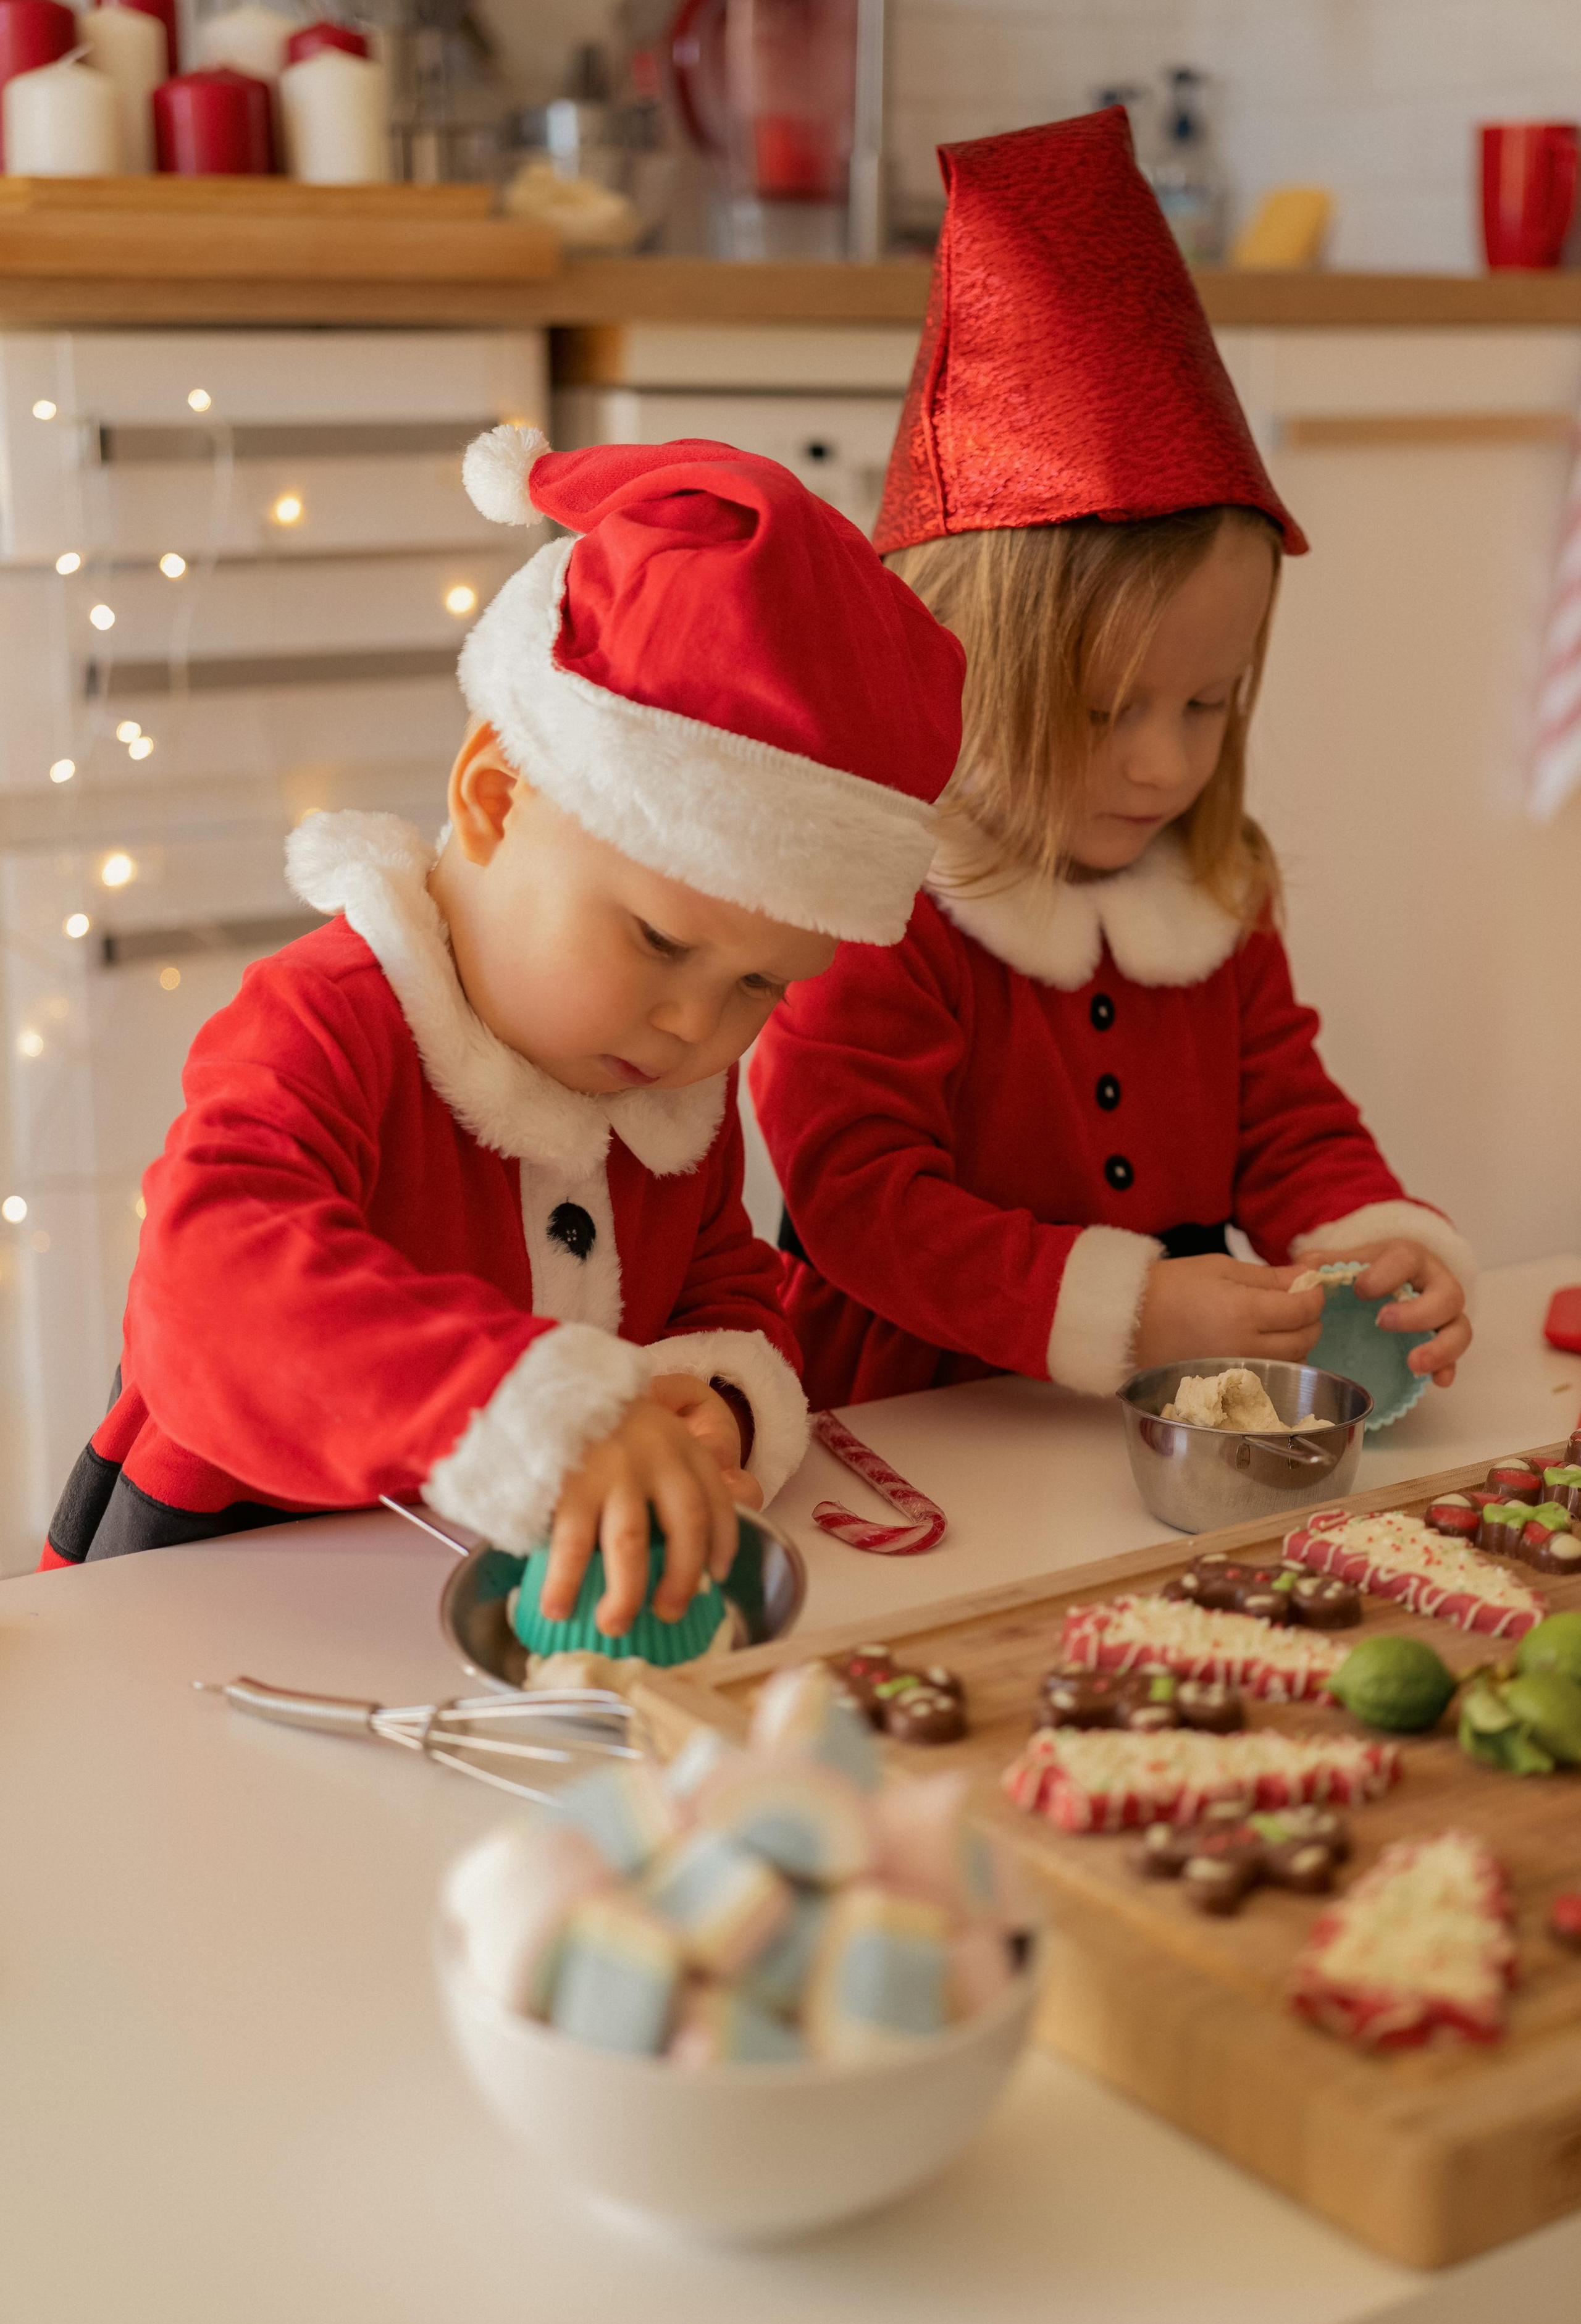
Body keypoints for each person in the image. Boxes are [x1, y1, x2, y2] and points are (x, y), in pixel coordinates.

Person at [43, 434, 962, 1630]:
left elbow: (723, 1281)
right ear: (492, 797)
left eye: (757, 987)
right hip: (233, 1596)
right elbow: (209, 1293)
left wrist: (716, 1398)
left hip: (517, 1613)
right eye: (656, 941)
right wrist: (527, 1409)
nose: (697, 1025)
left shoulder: (656, 1075)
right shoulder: (330, 1021)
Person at [752, 108, 1474, 1412]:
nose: (1159, 768)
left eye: (1206, 704)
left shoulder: (1213, 886)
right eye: (1097, 714)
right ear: (951, 662)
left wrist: (1372, 1240)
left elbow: (1286, 1121)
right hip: (920, 1413)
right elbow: (856, 1195)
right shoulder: (879, 901)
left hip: (1170, 1398)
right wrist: (1126, 1309)